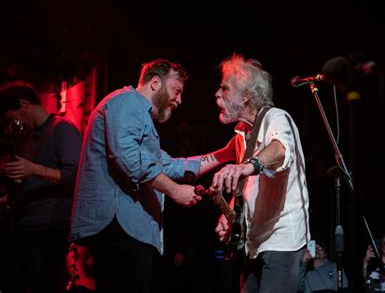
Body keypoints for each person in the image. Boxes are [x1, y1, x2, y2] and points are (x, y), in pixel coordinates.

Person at [69, 59, 233, 292]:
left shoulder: (138, 116)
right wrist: (175, 191)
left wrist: (226, 153)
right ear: (155, 82)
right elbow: (127, 155)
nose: (179, 100)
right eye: (177, 91)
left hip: (127, 228)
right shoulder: (127, 100)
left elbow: (170, 165)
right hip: (119, 226)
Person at [212, 53, 311, 292]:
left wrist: (247, 166)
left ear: (245, 96)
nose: (217, 94)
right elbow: (249, 188)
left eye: (225, 88)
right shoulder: (241, 135)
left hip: (282, 241)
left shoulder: (276, 118)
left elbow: (279, 149)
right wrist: (229, 214)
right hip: (254, 244)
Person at [0, 81, 82, 292]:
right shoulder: (25, 137)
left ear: (24, 104)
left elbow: (76, 176)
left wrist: (33, 169)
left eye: (12, 118)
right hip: (22, 226)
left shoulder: (63, 129)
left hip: (50, 229)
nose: (13, 124)